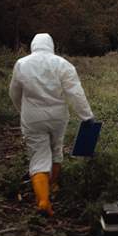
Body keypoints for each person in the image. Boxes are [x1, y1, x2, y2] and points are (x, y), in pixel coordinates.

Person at [9, 33, 94, 217]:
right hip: (58, 116)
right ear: (51, 46)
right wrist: (87, 116)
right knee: (56, 149)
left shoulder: (22, 64)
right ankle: (53, 185)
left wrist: (22, 110)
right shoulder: (63, 64)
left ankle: (43, 201)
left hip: (32, 117)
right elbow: (75, 93)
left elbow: (14, 92)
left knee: (39, 156)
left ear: (33, 46)